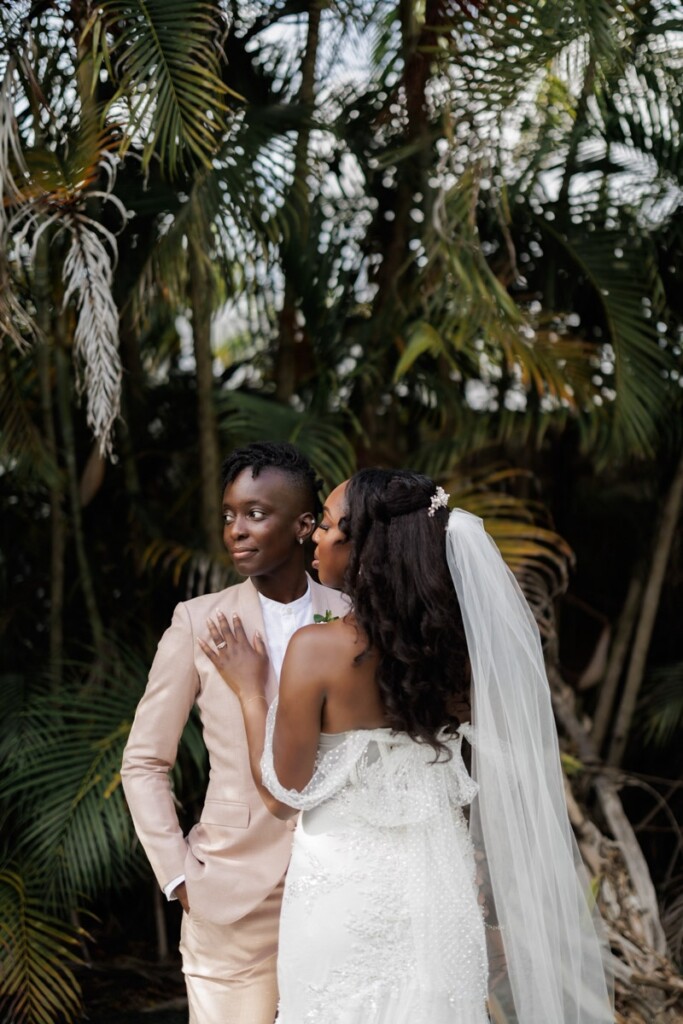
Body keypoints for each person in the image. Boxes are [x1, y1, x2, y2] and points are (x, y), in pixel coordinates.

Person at [200, 469, 615, 1023]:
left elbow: (282, 795)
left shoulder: (318, 649)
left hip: (342, 895)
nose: (313, 539)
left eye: (326, 526)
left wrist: (251, 691)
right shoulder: (458, 655)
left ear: (365, 546)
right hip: (439, 890)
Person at [121, 442, 349, 1024]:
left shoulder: (352, 615)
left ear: (304, 526)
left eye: (255, 514)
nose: (236, 531)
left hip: (341, 886)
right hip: (229, 892)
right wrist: (179, 876)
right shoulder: (197, 620)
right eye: (229, 515)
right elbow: (144, 762)